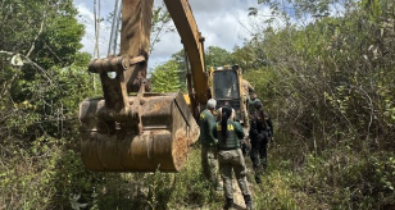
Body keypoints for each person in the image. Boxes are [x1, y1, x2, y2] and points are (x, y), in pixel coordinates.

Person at [213, 106, 254, 210]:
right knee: (241, 177)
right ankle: (248, 203)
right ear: (231, 114)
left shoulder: (216, 125)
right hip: (236, 153)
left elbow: (215, 136)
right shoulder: (235, 124)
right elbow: (241, 136)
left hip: (223, 154)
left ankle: (230, 203)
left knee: (227, 179)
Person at [199, 98, 221, 190]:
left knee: (205, 164)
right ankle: (216, 185)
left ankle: (206, 183)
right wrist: (216, 142)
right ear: (214, 107)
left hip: (204, 143)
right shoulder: (209, 116)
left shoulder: (203, 113)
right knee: (213, 164)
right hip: (209, 144)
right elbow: (211, 131)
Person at [249, 102, 274, 184]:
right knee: (263, 154)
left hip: (258, 139)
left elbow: (253, 130)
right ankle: (265, 170)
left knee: (255, 155)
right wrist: (271, 136)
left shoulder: (255, 117)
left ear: (255, 107)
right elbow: (271, 126)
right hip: (265, 137)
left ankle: (257, 175)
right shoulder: (266, 115)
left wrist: (252, 138)